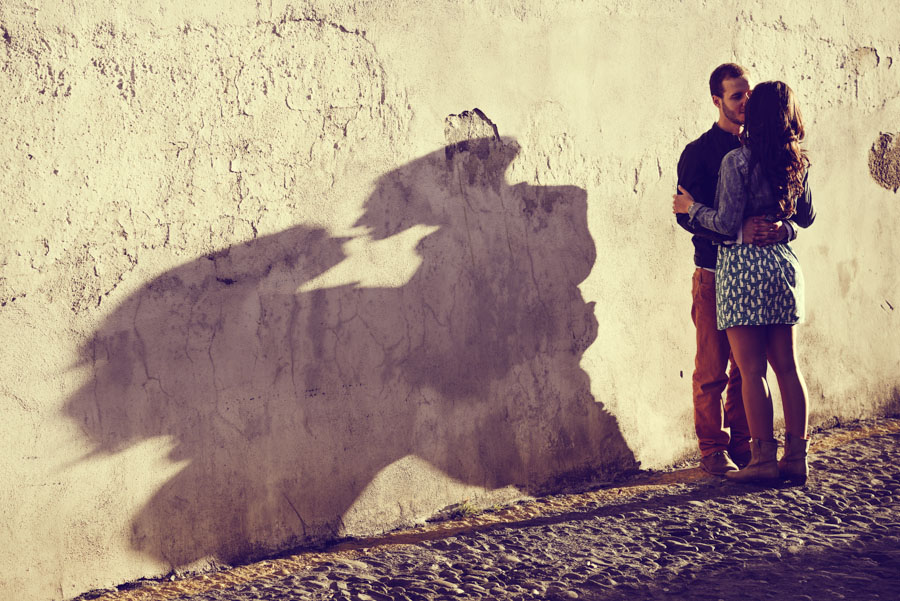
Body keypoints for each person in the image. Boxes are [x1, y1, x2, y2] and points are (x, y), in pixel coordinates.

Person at [673, 80, 816, 484]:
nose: (744, 102)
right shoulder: (796, 160)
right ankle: (797, 458)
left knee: (750, 372)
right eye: (738, 95)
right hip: (783, 269)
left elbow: (725, 222)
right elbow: (805, 216)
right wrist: (783, 230)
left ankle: (762, 459)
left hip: (742, 273)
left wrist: (690, 207)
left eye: (749, 98)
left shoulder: (737, 161)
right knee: (788, 368)